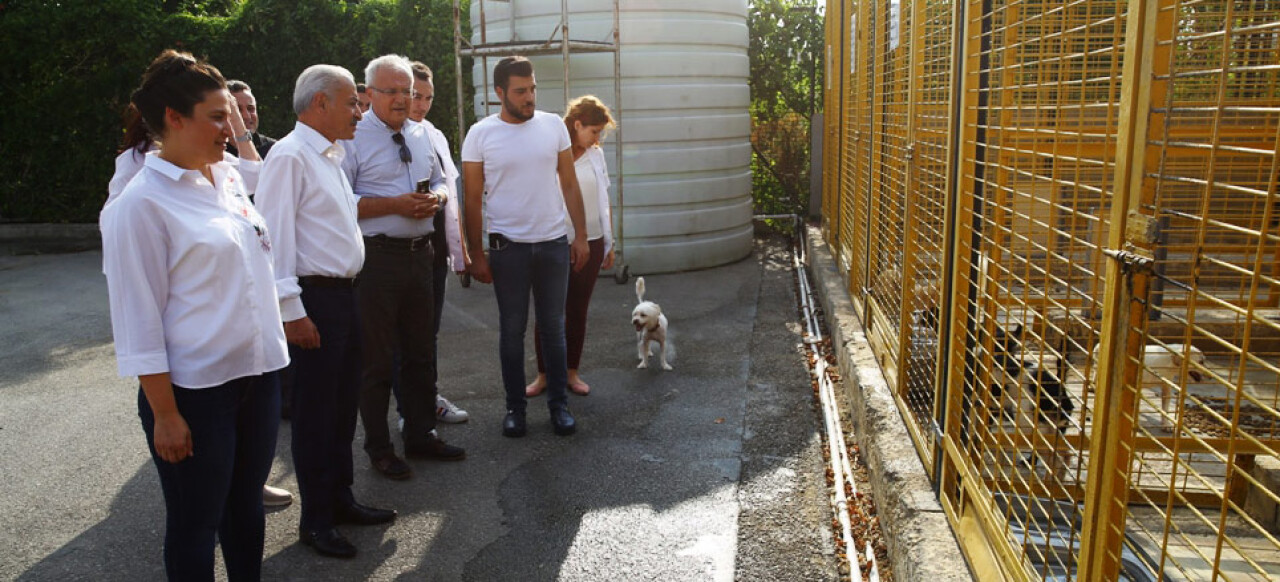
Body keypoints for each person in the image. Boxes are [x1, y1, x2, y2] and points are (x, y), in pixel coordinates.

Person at [100, 49, 289, 581]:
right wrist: (165, 413)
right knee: (195, 523)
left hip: (258, 374)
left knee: (246, 510)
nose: (230, 128)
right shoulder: (140, 205)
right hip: (194, 392)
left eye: (230, 113)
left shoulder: (226, 179)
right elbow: (137, 320)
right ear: (173, 119)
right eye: (216, 116)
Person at [255, 63, 396, 559]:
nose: (359, 111)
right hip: (314, 300)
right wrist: (291, 309)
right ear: (320, 103)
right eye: (351, 103)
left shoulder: (330, 156)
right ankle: (316, 520)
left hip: (344, 295)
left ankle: (340, 500)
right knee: (316, 413)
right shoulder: (290, 157)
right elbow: (273, 238)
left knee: (341, 408)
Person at [341, 54, 465, 482]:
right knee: (376, 359)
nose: (401, 99)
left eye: (406, 92)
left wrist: (440, 200)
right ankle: (379, 447)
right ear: (369, 93)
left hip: (420, 254)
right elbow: (339, 203)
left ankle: (421, 433)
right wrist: (394, 204)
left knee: (420, 352)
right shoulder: (352, 138)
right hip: (375, 259)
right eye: (391, 91)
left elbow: (441, 181)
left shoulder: (421, 133)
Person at [461, 56, 590, 438]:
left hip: (552, 244)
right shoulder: (480, 134)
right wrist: (476, 253)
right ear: (499, 93)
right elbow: (470, 199)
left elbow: (569, 183)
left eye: (532, 88)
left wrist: (580, 235)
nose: (529, 97)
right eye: (520, 91)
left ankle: (559, 408)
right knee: (512, 329)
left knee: (554, 327)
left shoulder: (553, 126)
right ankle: (515, 410)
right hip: (507, 248)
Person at [526, 96, 617, 397]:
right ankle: (543, 375)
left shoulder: (596, 155)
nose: (597, 139)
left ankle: (570, 373)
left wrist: (609, 242)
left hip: (592, 241)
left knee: (577, 310)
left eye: (600, 133)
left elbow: (605, 199)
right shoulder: (552, 153)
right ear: (576, 124)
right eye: (593, 131)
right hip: (554, 241)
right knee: (549, 311)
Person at [406, 60, 469, 425]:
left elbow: (450, 191)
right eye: (416, 95)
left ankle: (425, 400)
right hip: (395, 252)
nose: (422, 104)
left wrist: (460, 251)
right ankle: (411, 409)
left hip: (434, 248)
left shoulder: (434, 134)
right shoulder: (378, 135)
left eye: (428, 97)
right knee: (404, 339)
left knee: (427, 333)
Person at [225, 80, 277, 159]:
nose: (246, 116)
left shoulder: (273, 149)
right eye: (238, 109)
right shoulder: (214, 152)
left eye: (250, 109)